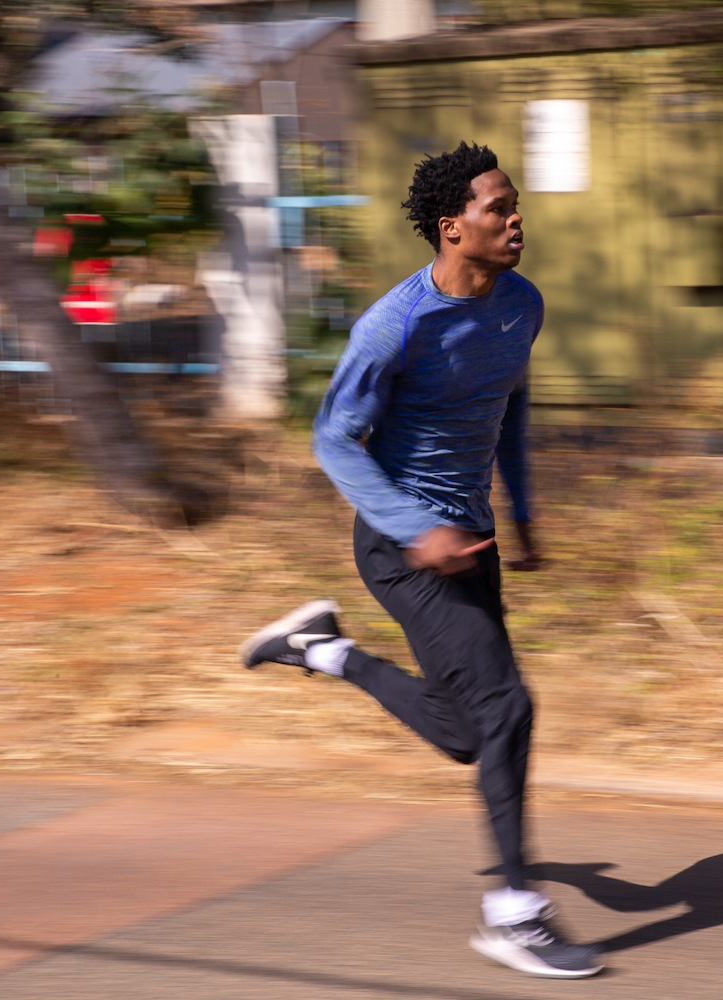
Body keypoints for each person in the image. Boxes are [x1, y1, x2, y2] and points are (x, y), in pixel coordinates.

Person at [238, 142, 601, 980]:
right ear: (452, 227)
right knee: (507, 710)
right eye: (498, 208)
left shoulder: (523, 304)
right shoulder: (393, 324)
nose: (516, 220)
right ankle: (515, 911)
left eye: (515, 206)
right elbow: (334, 438)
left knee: (465, 731)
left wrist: (524, 510)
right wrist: (414, 527)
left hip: (470, 536)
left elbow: (508, 408)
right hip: (402, 546)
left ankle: (318, 649)